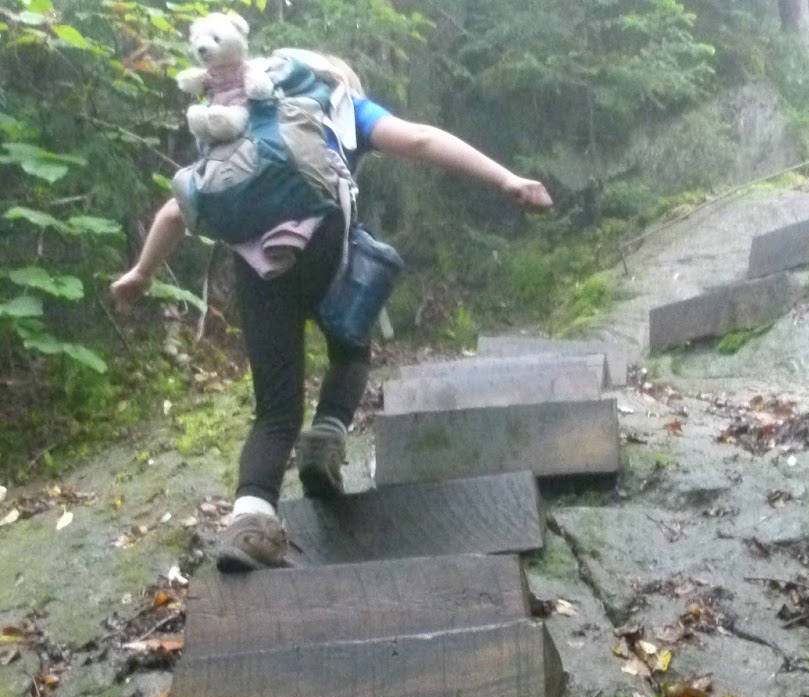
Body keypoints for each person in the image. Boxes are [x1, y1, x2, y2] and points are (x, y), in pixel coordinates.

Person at [112, 84, 552, 572]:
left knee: (275, 410)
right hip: (323, 246)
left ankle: (249, 522)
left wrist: (142, 272)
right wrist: (507, 179)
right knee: (349, 344)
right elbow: (422, 140)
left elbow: (178, 207)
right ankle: (326, 435)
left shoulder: (243, 125)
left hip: (257, 266)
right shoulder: (339, 106)